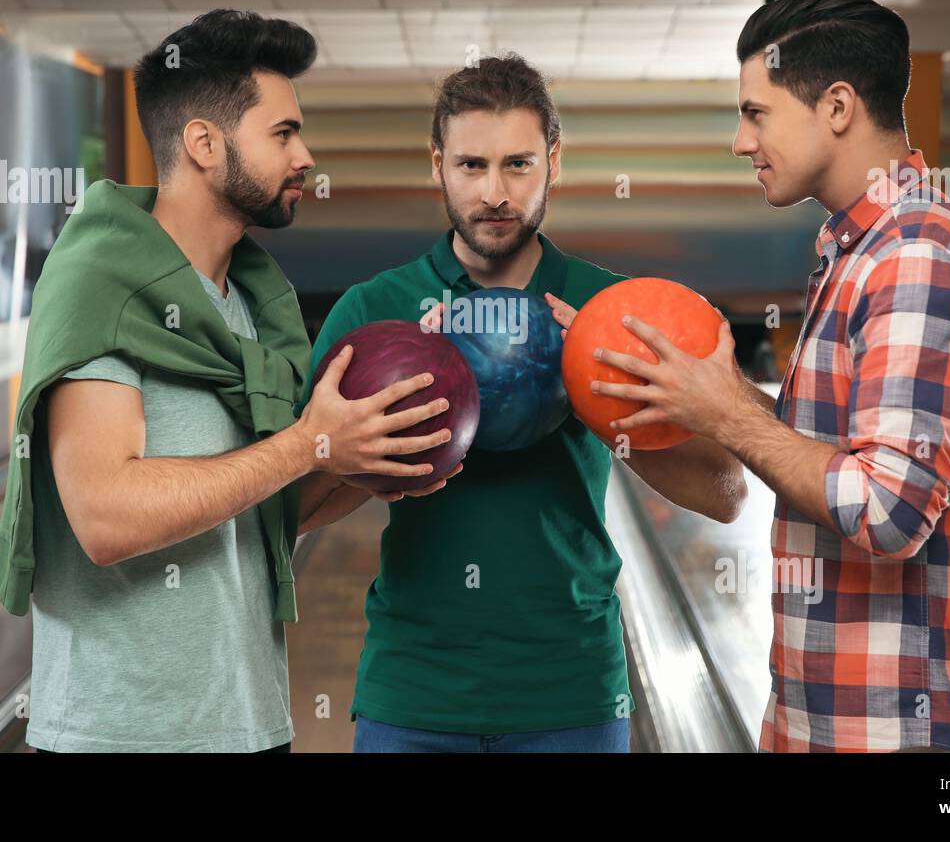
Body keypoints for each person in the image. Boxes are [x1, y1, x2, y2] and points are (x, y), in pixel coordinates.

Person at [585, 0, 950, 752]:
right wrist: (705, 396)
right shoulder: (856, 252)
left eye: (755, 113)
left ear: (836, 107)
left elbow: (888, 511)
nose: (739, 140)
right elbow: (839, 458)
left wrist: (728, 415)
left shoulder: (914, 258)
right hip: (836, 715)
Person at [0, 10, 455, 752]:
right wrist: (309, 445)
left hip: (247, 718)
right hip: (123, 736)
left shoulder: (246, 304)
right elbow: (105, 518)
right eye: (282, 134)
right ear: (205, 144)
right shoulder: (103, 287)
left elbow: (250, 513)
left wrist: (362, 466)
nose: (305, 155)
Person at [301, 53, 748, 753]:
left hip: (571, 690)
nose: (494, 194)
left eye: (518, 164)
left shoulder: (613, 311)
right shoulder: (374, 311)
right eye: (471, 166)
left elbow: (726, 493)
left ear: (555, 162)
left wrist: (604, 396)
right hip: (414, 688)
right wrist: (369, 442)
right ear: (437, 165)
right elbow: (290, 513)